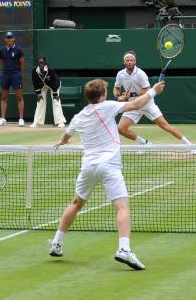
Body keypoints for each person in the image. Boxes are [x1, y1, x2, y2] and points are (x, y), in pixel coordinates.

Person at [49, 79, 166, 269]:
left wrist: (62, 141)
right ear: (102, 96)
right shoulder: (108, 106)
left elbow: (67, 134)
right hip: (109, 165)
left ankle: (56, 243)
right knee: (122, 207)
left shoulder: (79, 116)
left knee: (76, 203)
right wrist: (154, 91)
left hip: (88, 166)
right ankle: (124, 250)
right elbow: (136, 104)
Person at [113, 52, 192, 146]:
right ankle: (145, 143)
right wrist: (118, 96)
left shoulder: (140, 74)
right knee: (121, 129)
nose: (129, 62)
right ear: (124, 62)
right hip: (133, 106)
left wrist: (131, 94)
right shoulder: (120, 74)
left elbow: (148, 90)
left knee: (165, 126)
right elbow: (116, 88)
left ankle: (189, 145)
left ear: (135, 62)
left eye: (131, 60)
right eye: (127, 60)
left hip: (147, 104)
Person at [0, 32, 25, 127]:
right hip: (5, 74)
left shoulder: (19, 50)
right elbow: (2, 62)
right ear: (5, 39)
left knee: (19, 97)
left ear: (14, 39)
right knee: (4, 97)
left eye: (10, 38)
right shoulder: (2, 50)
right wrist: (6, 71)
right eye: (7, 38)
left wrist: (19, 74)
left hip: (16, 74)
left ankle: (21, 119)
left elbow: (22, 64)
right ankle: (3, 119)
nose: (9, 39)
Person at [31, 56, 65, 128]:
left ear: (45, 63)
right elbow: (35, 83)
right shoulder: (34, 71)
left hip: (54, 85)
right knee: (40, 102)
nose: (41, 64)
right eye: (39, 62)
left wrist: (55, 94)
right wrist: (38, 94)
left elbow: (54, 83)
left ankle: (60, 122)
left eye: (42, 62)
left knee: (56, 101)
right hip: (41, 86)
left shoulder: (50, 70)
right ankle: (36, 122)